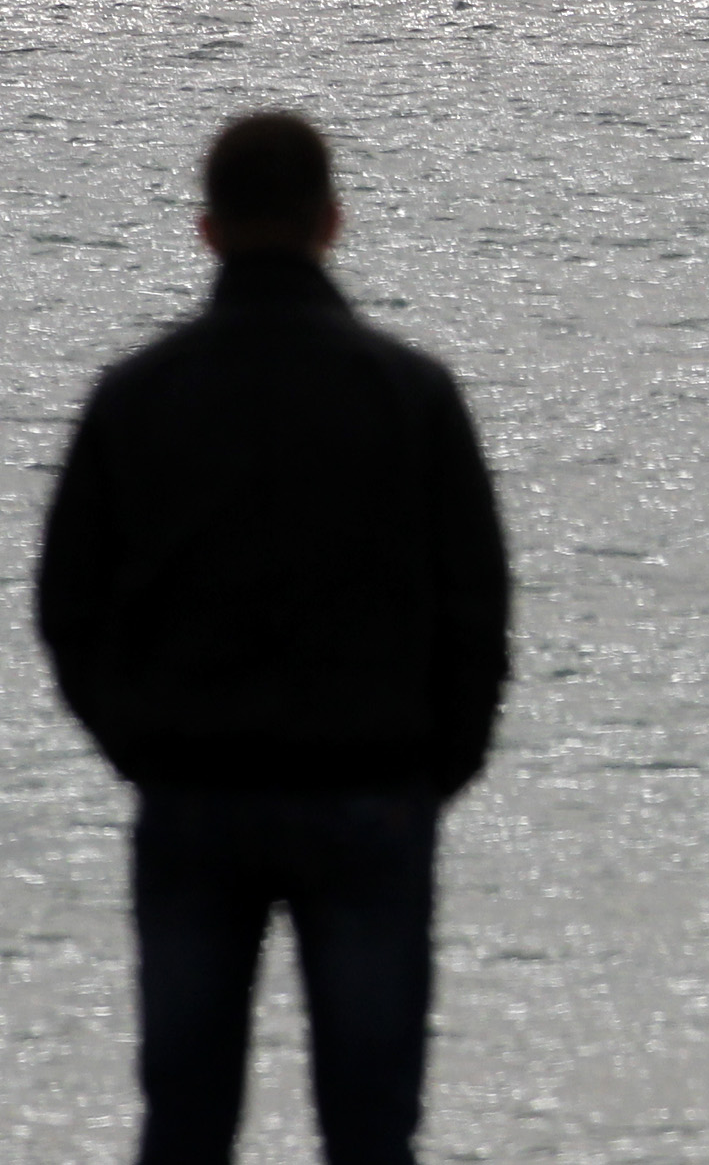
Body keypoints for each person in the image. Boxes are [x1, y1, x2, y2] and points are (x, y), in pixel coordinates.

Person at [35, 111, 512, 1165]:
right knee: (372, 1125)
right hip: (371, 786)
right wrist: (435, 768)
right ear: (331, 221)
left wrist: (139, 744)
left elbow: (68, 606)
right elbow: (476, 608)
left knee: (186, 1120)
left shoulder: (138, 395)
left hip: (195, 789)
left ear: (206, 229)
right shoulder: (412, 394)